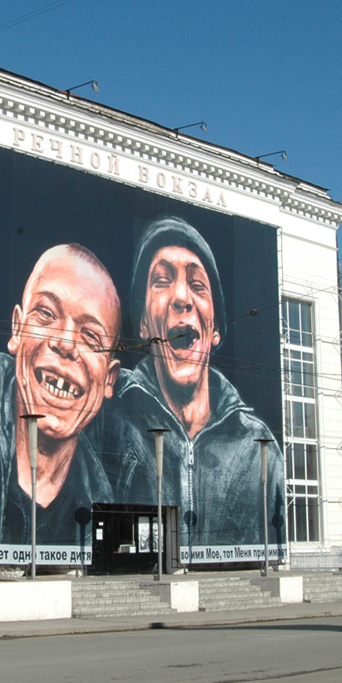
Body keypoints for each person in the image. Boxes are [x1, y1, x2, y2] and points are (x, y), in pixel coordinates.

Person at [116, 214, 283, 553]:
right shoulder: (111, 419)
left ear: (215, 329)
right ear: (144, 324)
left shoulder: (257, 446)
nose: (182, 297)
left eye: (197, 285)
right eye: (161, 281)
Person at [0, 244, 123, 546]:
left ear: (109, 379)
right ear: (16, 329)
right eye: (47, 313)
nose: (65, 344)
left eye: (91, 336)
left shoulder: (102, 498)